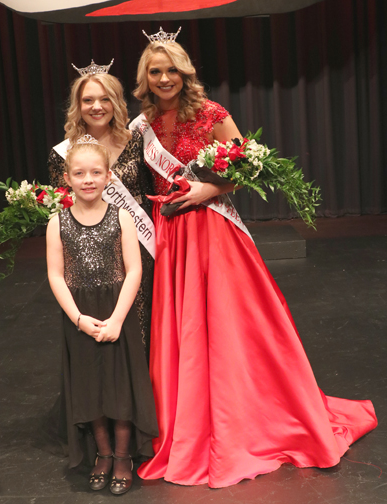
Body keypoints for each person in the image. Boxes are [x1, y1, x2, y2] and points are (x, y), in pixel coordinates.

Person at [131, 28, 377, 489]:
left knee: (228, 326)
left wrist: (208, 188)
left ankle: (243, 418)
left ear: (185, 73)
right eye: (155, 71)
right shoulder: (142, 124)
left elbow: (248, 167)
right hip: (171, 236)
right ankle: (187, 421)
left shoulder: (211, 113)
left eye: (171, 70)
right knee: (183, 330)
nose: (164, 78)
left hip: (212, 230)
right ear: (145, 78)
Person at [46, 136, 158, 495]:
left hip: (116, 313)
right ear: (67, 178)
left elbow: (134, 271)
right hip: (80, 316)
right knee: (90, 387)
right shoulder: (56, 222)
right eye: (80, 173)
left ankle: (124, 457)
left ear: (109, 176)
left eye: (96, 172)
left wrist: (117, 319)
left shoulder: (122, 217)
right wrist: (78, 318)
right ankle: (103, 455)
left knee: (118, 386)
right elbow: (55, 275)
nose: (88, 179)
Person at [48, 61, 154, 351]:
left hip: (141, 245)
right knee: (99, 324)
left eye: (105, 98)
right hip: (91, 252)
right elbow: (63, 210)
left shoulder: (138, 142)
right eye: (88, 100)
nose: (97, 106)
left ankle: (142, 388)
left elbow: (152, 191)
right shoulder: (63, 153)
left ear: (116, 103)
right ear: (77, 105)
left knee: (143, 319)